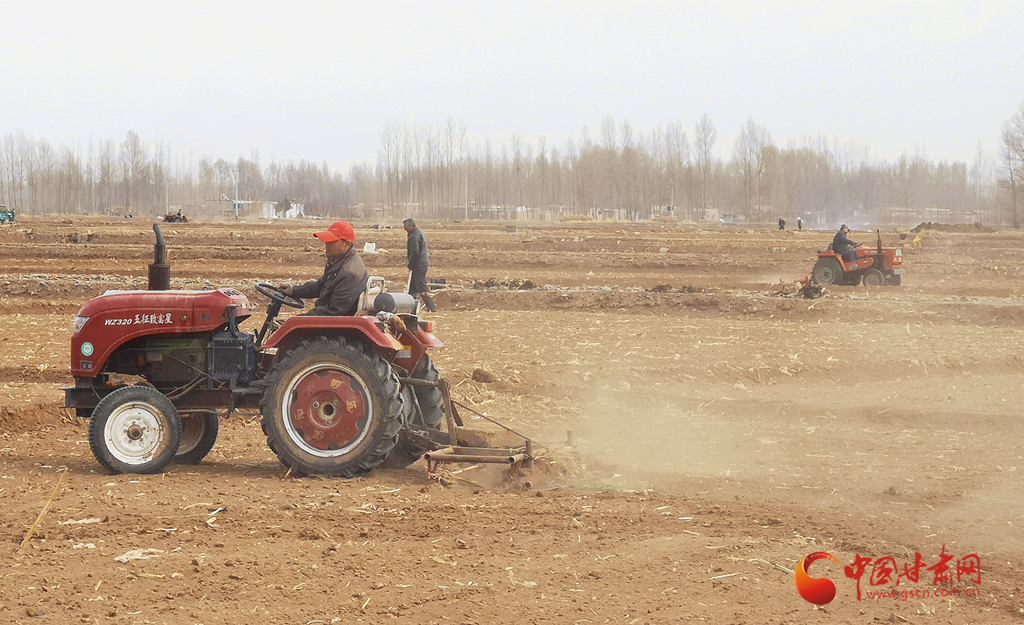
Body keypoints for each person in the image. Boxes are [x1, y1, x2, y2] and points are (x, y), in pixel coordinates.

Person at [277, 220, 369, 316]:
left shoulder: (350, 273)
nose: (326, 245)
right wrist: (293, 290)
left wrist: (299, 320)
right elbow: (321, 285)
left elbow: (333, 311)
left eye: (332, 242)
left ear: (346, 243)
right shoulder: (339, 261)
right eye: (327, 241)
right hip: (331, 318)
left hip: (336, 324)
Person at [403, 217, 430, 298]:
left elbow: (415, 252)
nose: (404, 228)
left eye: (405, 226)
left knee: (422, 287)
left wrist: (410, 265)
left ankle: (431, 307)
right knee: (413, 288)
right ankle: (411, 304)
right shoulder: (418, 232)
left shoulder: (414, 236)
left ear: (410, 226)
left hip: (419, 265)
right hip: (421, 264)